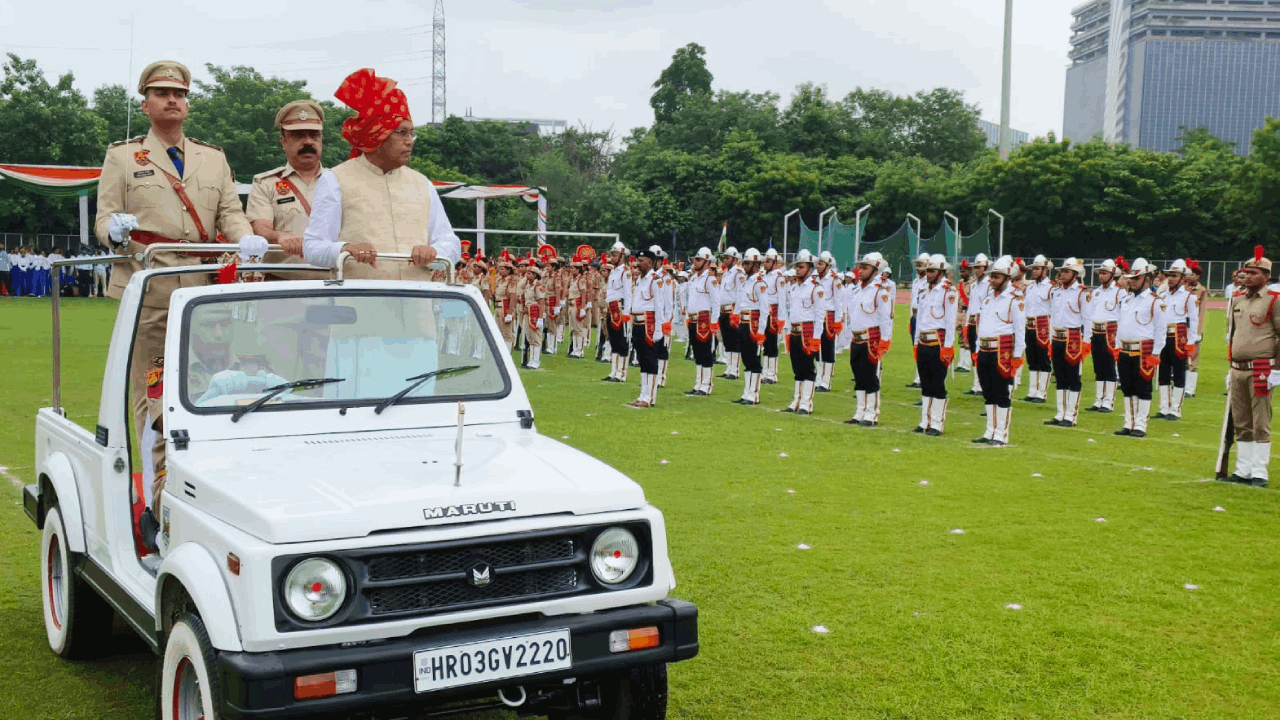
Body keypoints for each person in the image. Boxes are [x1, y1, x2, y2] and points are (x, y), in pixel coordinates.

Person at [94, 60, 266, 550]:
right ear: (145, 103)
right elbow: (103, 219)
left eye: (179, 93)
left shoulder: (213, 159)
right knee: (156, 406)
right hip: (150, 292)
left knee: (211, 398)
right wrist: (115, 230)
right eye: (161, 92)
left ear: (188, 102)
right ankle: (152, 508)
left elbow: (230, 213)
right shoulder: (124, 157)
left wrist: (247, 238)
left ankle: (198, 500)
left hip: (205, 300)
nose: (172, 100)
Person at [303, 68, 461, 278]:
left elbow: (450, 243)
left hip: (417, 305)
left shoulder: (422, 184)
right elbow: (313, 247)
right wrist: (344, 249)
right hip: (359, 303)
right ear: (376, 135)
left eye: (412, 133)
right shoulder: (336, 180)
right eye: (401, 132)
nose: (409, 141)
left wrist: (435, 252)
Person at [246, 99, 327, 268]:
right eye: (299, 135)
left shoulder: (339, 182)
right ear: (283, 142)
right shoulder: (266, 183)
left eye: (314, 135)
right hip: (283, 284)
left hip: (333, 280)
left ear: (321, 139)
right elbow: (261, 227)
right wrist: (280, 237)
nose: (308, 142)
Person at [1224, 246, 1280, 487]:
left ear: (1267, 276)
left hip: (1261, 368)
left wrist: (1276, 370)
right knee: (1241, 420)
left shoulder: (1274, 300)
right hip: (1238, 367)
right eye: (1247, 272)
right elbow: (1233, 334)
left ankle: (1259, 471)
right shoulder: (1237, 300)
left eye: (1255, 273)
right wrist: (1230, 367)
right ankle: (1242, 470)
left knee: (1260, 422)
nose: (1248, 276)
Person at [972, 256, 1026, 446]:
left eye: (995, 276)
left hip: (1002, 350)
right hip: (985, 349)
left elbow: (1020, 331)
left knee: (1001, 392)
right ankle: (989, 431)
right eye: (991, 276)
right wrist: (978, 349)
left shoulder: (1014, 300)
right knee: (988, 392)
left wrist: (1017, 356)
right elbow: (983, 326)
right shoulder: (988, 299)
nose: (991, 280)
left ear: (1006, 278)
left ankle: (1001, 433)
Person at [1113, 258, 1165, 438]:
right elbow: (1121, 325)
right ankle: (1129, 423)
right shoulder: (1126, 300)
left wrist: (1156, 353)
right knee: (1127, 388)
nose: (1131, 281)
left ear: (1147, 279)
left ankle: (1141, 425)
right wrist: (1116, 346)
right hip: (1125, 349)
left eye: (1136, 278)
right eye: (1131, 279)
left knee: (1143, 388)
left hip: (1144, 350)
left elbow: (1160, 330)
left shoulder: (1154, 301)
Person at [841, 252, 893, 426]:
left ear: (875, 270)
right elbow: (853, 317)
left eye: (865, 268)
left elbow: (886, 318)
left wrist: (885, 341)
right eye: (860, 268)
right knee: (858, 376)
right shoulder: (856, 290)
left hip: (871, 339)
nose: (860, 271)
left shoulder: (880, 291)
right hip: (856, 338)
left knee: (871, 376)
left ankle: (871, 413)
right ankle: (859, 411)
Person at [912, 254, 958, 436]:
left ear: (941, 272)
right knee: (925, 383)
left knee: (937, 383)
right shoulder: (923, 290)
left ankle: (937, 423)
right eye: (926, 271)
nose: (927, 274)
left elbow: (949, 321)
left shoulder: (948, 291)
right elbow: (920, 319)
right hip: (923, 340)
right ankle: (925, 421)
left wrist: (948, 346)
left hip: (938, 342)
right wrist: (916, 343)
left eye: (931, 271)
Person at [1045, 258, 1090, 427]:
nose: (1062, 274)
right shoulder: (1056, 292)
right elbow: (1053, 317)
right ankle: (1060, 413)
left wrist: (1086, 342)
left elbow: (1087, 319)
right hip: (1057, 336)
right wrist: (1050, 340)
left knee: (1073, 377)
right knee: (1060, 376)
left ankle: (1071, 415)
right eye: (1061, 271)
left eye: (1066, 271)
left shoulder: (1081, 293)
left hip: (1073, 338)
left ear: (1075, 274)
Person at [1155, 259, 1200, 421]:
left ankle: (1175, 409)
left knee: (1179, 373)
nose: (1171, 279)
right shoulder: (1162, 295)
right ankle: (1163, 407)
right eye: (1169, 276)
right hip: (1163, 336)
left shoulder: (1189, 297)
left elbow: (1193, 321)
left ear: (1183, 278)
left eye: (1174, 276)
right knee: (1163, 372)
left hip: (1179, 336)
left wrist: (1191, 342)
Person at [782, 250, 823, 415]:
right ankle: (796, 399)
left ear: (809, 268)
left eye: (801, 266)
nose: (797, 270)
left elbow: (820, 316)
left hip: (807, 332)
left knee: (807, 368)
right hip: (794, 332)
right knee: (796, 368)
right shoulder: (794, 288)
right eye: (797, 267)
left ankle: (806, 402)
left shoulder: (815, 288)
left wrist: (816, 339)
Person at [628, 249, 670, 408]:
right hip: (638, 322)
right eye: (638, 260)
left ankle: (650, 397)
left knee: (650, 360)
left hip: (649, 324)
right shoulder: (640, 279)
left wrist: (658, 329)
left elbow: (659, 306)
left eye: (642, 260)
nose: (638, 263)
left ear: (650, 263)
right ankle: (642, 395)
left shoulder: (655, 280)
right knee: (642, 360)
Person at [1086, 258, 1123, 413]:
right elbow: (1090, 314)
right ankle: (1098, 399)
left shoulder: (1120, 292)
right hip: (1097, 331)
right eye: (1100, 273)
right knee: (1098, 366)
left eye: (1104, 273)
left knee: (1109, 367)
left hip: (1111, 331)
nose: (1101, 276)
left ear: (1112, 274)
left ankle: (1108, 401)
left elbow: (1121, 315)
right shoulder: (1096, 292)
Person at [732, 249, 769, 406]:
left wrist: (761, 331)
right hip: (743, 322)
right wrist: (735, 315)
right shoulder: (745, 281)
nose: (744, 266)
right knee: (746, 358)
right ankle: (746, 392)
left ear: (755, 264)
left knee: (754, 359)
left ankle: (753, 394)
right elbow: (740, 301)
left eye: (747, 263)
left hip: (753, 324)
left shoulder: (760, 282)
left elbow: (765, 309)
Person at [684, 247, 720, 396]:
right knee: (697, 352)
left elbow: (716, 302)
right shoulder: (694, 278)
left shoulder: (710, 279)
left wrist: (713, 322)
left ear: (706, 261)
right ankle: (698, 383)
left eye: (698, 259)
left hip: (704, 319)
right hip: (693, 319)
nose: (694, 262)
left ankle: (706, 384)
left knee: (705, 352)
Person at [1022, 255, 1054, 403]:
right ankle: (1032, 391)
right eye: (1033, 269)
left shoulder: (1051, 287)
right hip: (1029, 325)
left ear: (1045, 270)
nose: (1034, 271)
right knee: (1031, 358)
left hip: (1043, 326)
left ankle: (1042, 393)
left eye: (1037, 269)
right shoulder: (1030, 288)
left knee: (1043, 359)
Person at [602, 242, 632, 382]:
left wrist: (626, 313)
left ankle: (621, 373)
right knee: (613, 340)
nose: (612, 257)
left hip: (620, 308)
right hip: (611, 307)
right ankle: (613, 371)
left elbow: (628, 293)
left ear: (621, 255)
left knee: (622, 341)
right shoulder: (614, 271)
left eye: (614, 254)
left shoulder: (625, 272)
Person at [717, 248, 744, 379]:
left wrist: (737, 313)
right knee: (727, 340)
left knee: (734, 340)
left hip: (732, 309)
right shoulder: (726, 273)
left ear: (734, 259)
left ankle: (735, 370)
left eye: (727, 258)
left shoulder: (738, 273)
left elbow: (740, 294)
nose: (725, 260)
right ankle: (729, 367)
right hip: (723, 309)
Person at [1184, 260, 1209, 398]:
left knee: (1192, 359)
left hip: (1193, 327)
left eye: (1193, 274)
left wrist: (1198, 332)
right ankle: (1180, 385)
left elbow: (1202, 311)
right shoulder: (1181, 288)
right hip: (1180, 328)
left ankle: (1190, 389)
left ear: (1198, 276)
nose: (1190, 276)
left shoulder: (1201, 290)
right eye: (1188, 274)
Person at [761, 248, 785, 384]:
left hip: (773, 311)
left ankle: (772, 373)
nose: (765, 263)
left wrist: (781, 318)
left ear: (775, 262)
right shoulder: (765, 275)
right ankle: (766, 371)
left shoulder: (778, 276)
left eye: (768, 261)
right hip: (764, 311)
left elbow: (781, 298)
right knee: (765, 343)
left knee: (772, 343)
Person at [906, 253, 930, 388]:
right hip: (915, 318)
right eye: (917, 264)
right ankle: (918, 377)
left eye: (920, 264)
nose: (918, 267)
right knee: (916, 348)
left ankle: (922, 378)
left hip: (924, 319)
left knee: (924, 349)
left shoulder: (928, 281)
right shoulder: (916, 281)